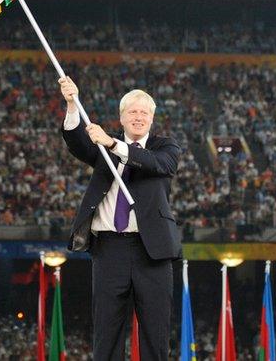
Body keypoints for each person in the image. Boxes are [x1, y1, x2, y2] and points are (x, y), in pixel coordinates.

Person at [58, 76, 181, 361]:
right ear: (122, 117)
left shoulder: (166, 147)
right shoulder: (101, 147)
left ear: (152, 119)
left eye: (144, 113)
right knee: (107, 330)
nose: (138, 117)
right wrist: (72, 105)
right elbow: (77, 143)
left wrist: (113, 144)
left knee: (155, 332)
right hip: (109, 249)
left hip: (153, 251)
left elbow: (157, 164)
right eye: (132, 112)